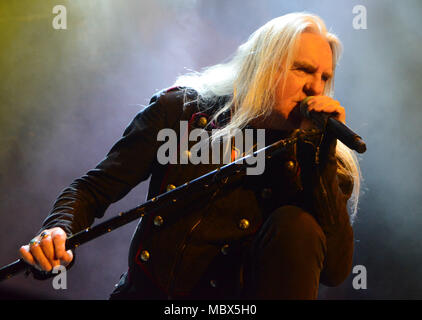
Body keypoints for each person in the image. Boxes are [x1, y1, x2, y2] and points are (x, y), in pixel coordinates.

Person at [19, 12, 361, 299]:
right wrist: (57, 232)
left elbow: (334, 270)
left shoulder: (321, 161)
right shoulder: (181, 112)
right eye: (303, 69)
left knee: (297, 225)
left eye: (325, 77)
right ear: (264, 65)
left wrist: (322, 160)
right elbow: (93, 189)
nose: (315, 87)